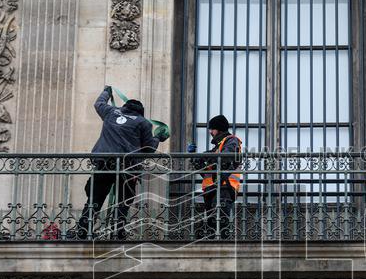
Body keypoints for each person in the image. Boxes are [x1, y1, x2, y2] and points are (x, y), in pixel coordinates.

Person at [71, 85, 169, 240]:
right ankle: (117, 232)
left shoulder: (111, 112)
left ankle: (83, 230)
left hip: (104, 164)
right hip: (127, 167)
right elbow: (149, 149)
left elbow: (98, 104)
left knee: (95, 199)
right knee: (123, 200)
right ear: (141, 112)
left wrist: (106, 92)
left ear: (124, 107)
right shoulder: (143, 123)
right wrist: (158, 137)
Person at [190, 115, 242, 239]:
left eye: (212, 129)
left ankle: (222, 247)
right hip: (211, 189)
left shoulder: (232, 141)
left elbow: (225, 157)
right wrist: (194, 158)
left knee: (220, 221)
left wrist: (204, 155)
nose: (210, 132)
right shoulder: (217, 147)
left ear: (219, 129)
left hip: (225, 187)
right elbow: (207, 171)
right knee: (211, 223)